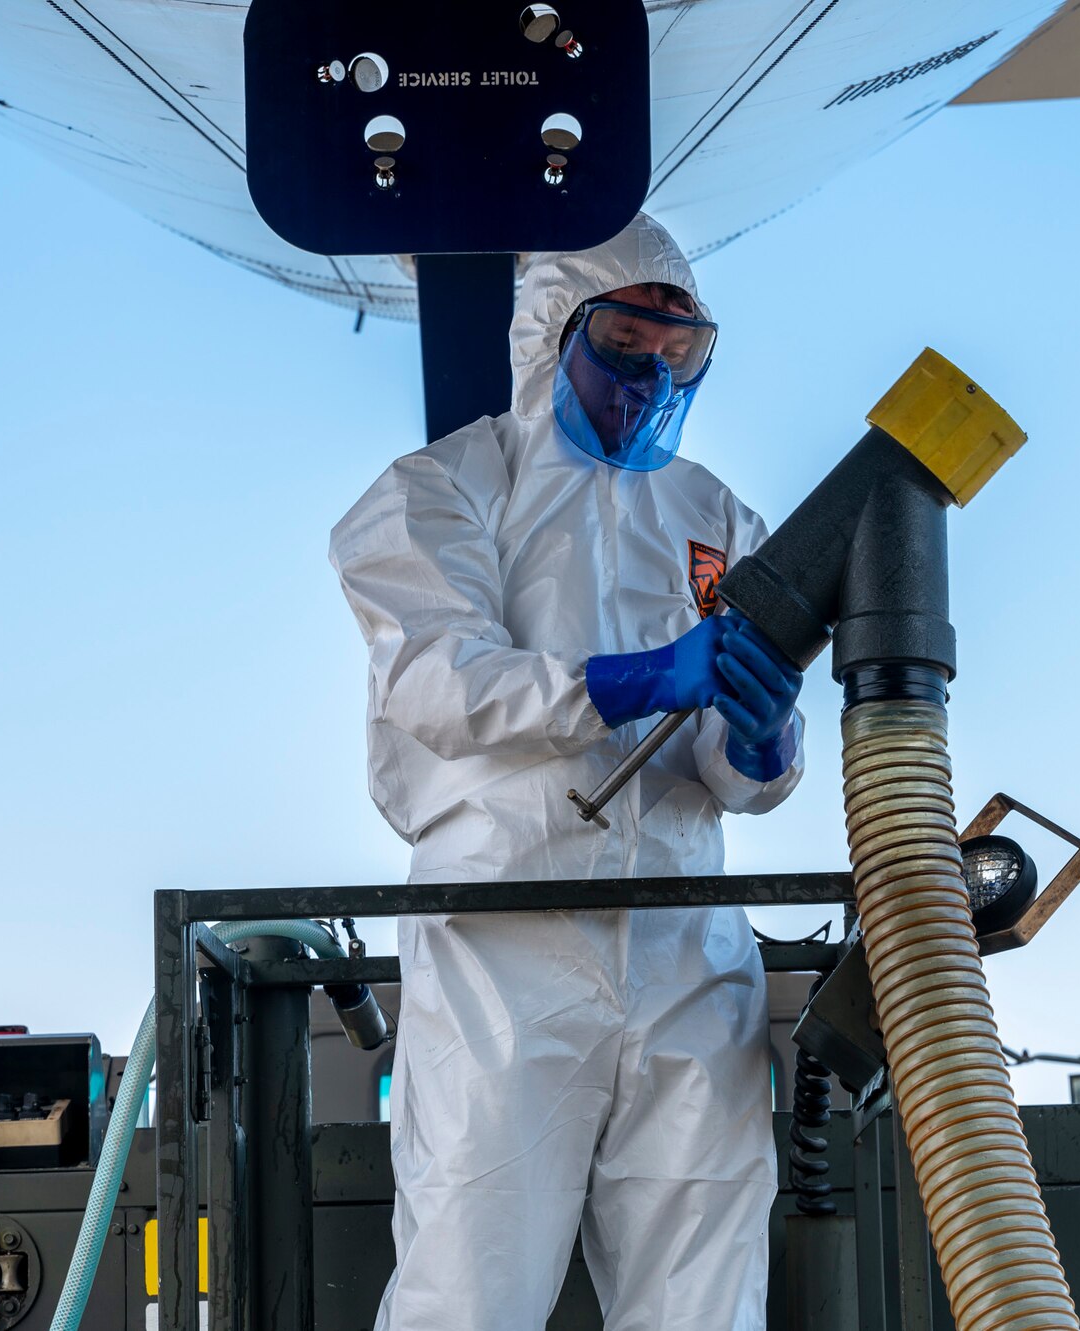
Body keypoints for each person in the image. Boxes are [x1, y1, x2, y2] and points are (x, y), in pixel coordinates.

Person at [329, 213, 806, 1331]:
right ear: (552, 336)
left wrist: (758, 740)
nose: (647, 381)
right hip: (507, 935)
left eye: (675, 357)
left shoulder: (717, 517)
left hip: (687, 943)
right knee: (470, 1279)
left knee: (705, 1287)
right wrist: (638, 678)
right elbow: (440, 683)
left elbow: (744, 776)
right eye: (626, 346)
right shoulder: (440, 491)